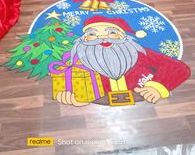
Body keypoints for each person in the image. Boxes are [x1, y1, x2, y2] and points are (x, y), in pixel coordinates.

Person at [55, 16, 191, 106]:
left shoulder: (141, 53)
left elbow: (179, 68)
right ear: (82, 40)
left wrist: (158, 87)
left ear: (124, 37)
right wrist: (75, 97)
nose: (103, 38)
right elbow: (68, 84)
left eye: (111, 33)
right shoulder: (77, 64)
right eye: (92, 34)